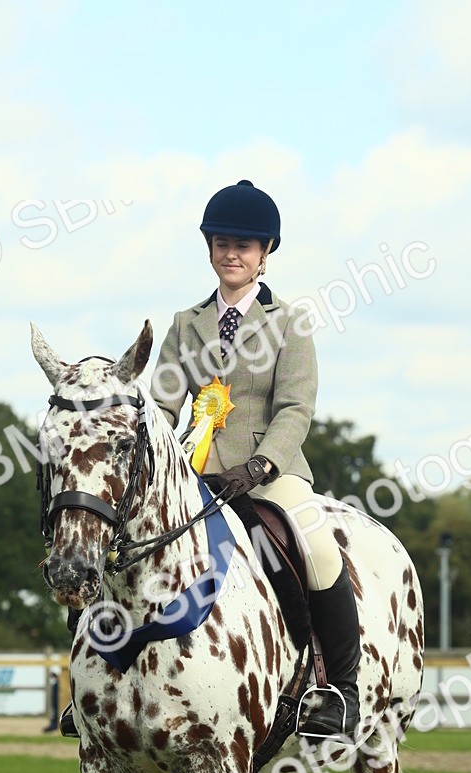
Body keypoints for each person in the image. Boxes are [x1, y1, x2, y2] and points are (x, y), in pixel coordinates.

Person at [149, 180, 361, 738]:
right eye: (222, 244)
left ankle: (341, 689)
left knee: (318, 547)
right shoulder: (184, 324)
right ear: (210, 248)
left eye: (243, 245)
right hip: (194, 473)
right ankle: (105, 677)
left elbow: (296, 407)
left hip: (269, 474)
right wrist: (157, 459)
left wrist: (260, 466)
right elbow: (163, 405)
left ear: (264, 253)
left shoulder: (289, 322)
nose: (232, 254)